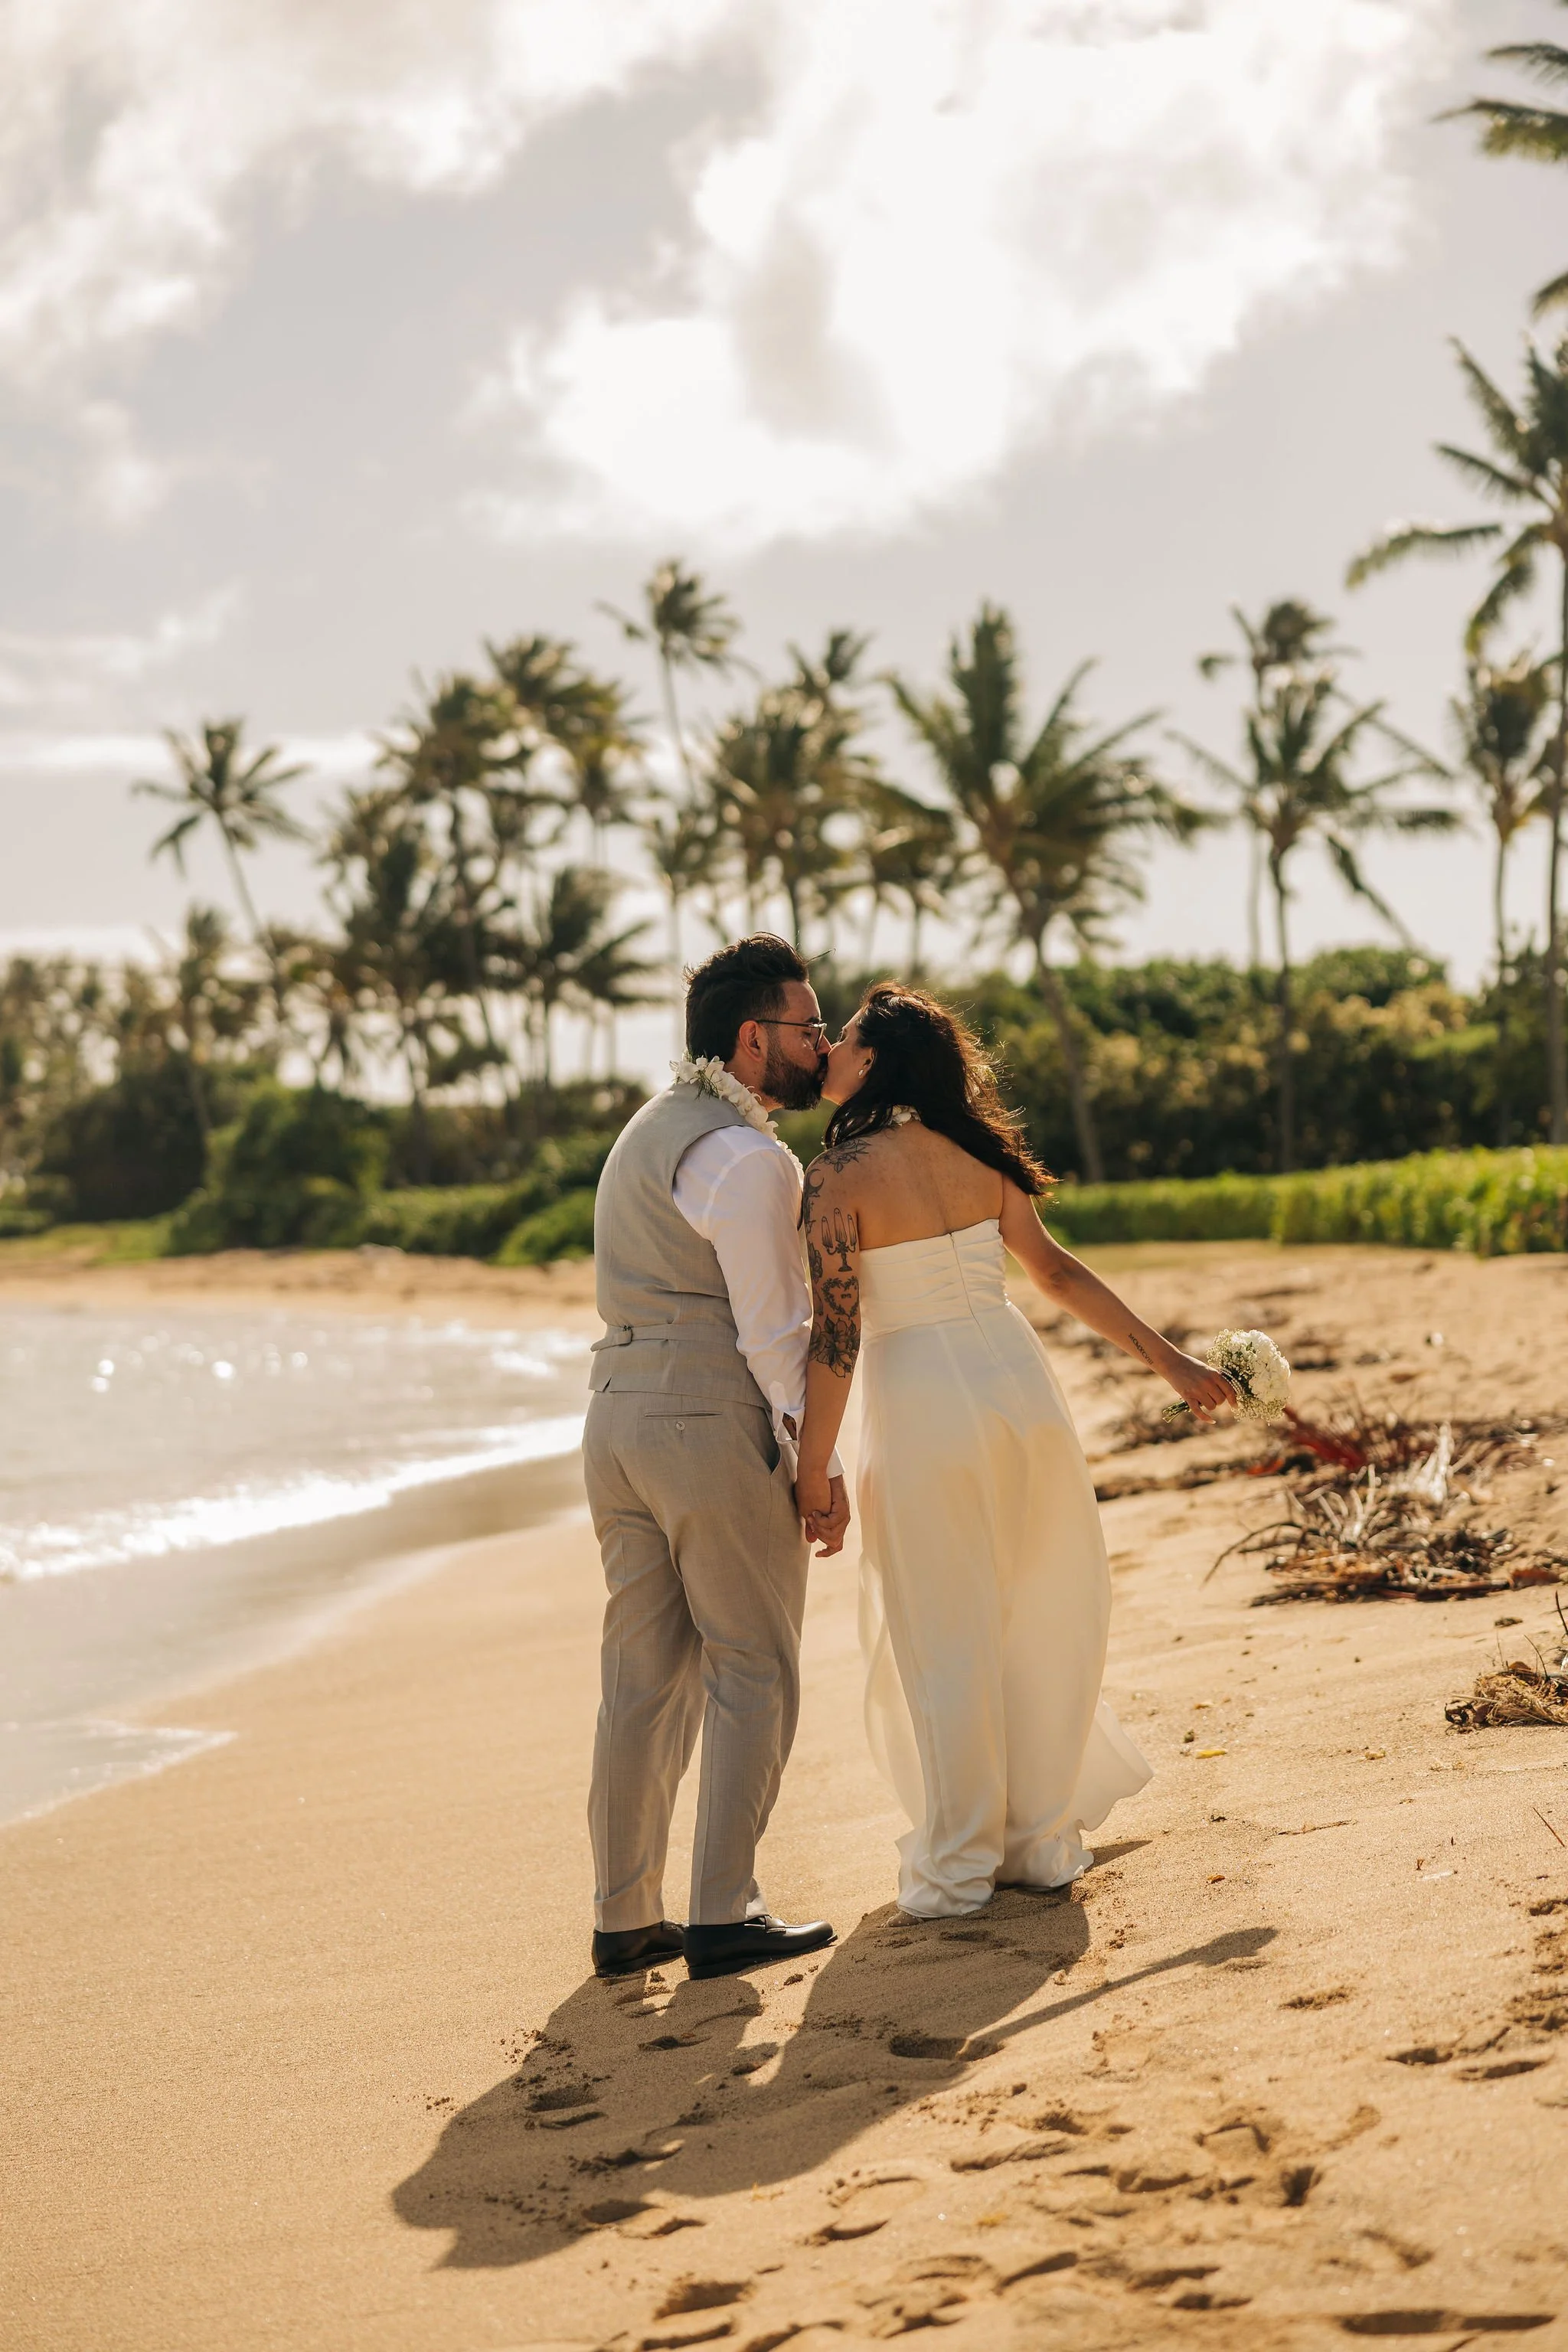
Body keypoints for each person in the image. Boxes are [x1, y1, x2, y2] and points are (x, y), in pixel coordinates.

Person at [794, 982, 1232, 1919]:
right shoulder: (977, 1151)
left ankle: (959, 1862)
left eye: (843, 1040)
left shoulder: (833, 1177)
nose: (825, 1049)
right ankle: (1035, 1840)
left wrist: (811, 1467)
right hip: (1016, 1388)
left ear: (872, 1061)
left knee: (940, 1624)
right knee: (1033, 1600)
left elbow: (835, 1338)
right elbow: (1056, 1272)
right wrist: (1172, 1362)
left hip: (919, 1403)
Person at [583, 934, 851, 1982]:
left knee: (640, 1677)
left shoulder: (649, 1129)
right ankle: (724, 1910)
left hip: (612, 1416)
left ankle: (624, 1915)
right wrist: (813, 1467)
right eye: (808, 1025)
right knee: (755, 1663)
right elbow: (775, 1333)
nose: (821, 1044)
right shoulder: (747, 1158)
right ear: (753, 1039)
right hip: (702, 1419)